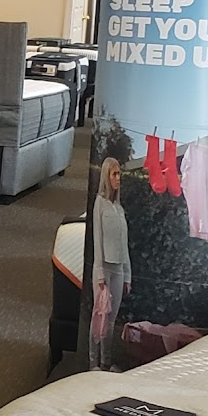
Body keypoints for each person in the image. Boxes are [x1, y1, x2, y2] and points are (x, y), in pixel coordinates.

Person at [89, 156, 130, 370]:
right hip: (104, 267)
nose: (118, 178)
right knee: (99, 317)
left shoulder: (119, 208)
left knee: (111, 320)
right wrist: (99, 274)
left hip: (119, 268)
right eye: (114, 174)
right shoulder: (100, 204)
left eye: (119, 174)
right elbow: (97, 240)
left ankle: (106, 361)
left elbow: (124, 244)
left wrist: (128, 275)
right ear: (106, 176)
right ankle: (92, 362)